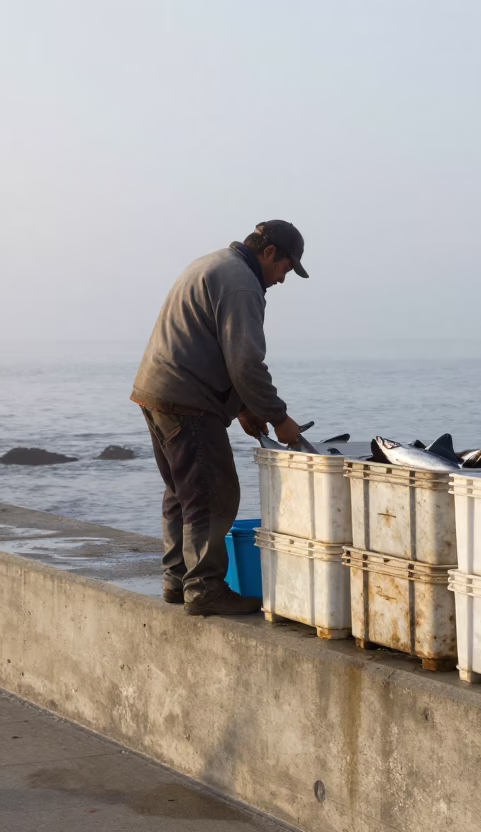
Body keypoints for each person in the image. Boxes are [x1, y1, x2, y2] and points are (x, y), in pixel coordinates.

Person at [131, 221, 309, 615]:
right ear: (268, 253)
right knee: (214, 495)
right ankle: (205, 588)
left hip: (156, 390)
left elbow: (213, 345)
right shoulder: (243, 283)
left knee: (183, 491)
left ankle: (176, 580)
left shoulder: (213, 263)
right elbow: (245, 363)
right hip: (188, 398)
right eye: (285, 268)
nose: (282, 279)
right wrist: (278, 417)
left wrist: (244, 408)